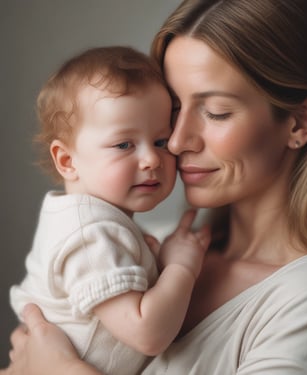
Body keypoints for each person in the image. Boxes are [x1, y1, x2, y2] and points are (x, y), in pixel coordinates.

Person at [2, 0, 307, 374]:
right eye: (174, 110)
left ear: (299, 122)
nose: (177, 142)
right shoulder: (153, 246)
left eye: (215, 112)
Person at [7, 46, 210, 375]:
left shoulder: (96, 224)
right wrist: (181, 267)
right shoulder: (90, 235)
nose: (151, 159)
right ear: (67, 161)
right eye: (124, 145)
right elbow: (146, 333)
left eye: (161, 141)